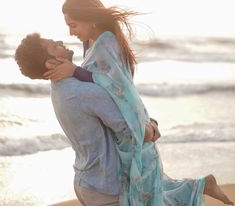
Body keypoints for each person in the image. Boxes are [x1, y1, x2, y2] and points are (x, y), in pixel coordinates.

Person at [14, 35, 233, 205]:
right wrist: (152, 127)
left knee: (158, 198)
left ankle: (202, 186)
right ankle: (200, 187)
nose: (61, 41)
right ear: (52, 63)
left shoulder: (61, 88)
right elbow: (130, 128)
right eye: (54, 45)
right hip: (105, 188)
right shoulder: (82, 92)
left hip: (87, 179)